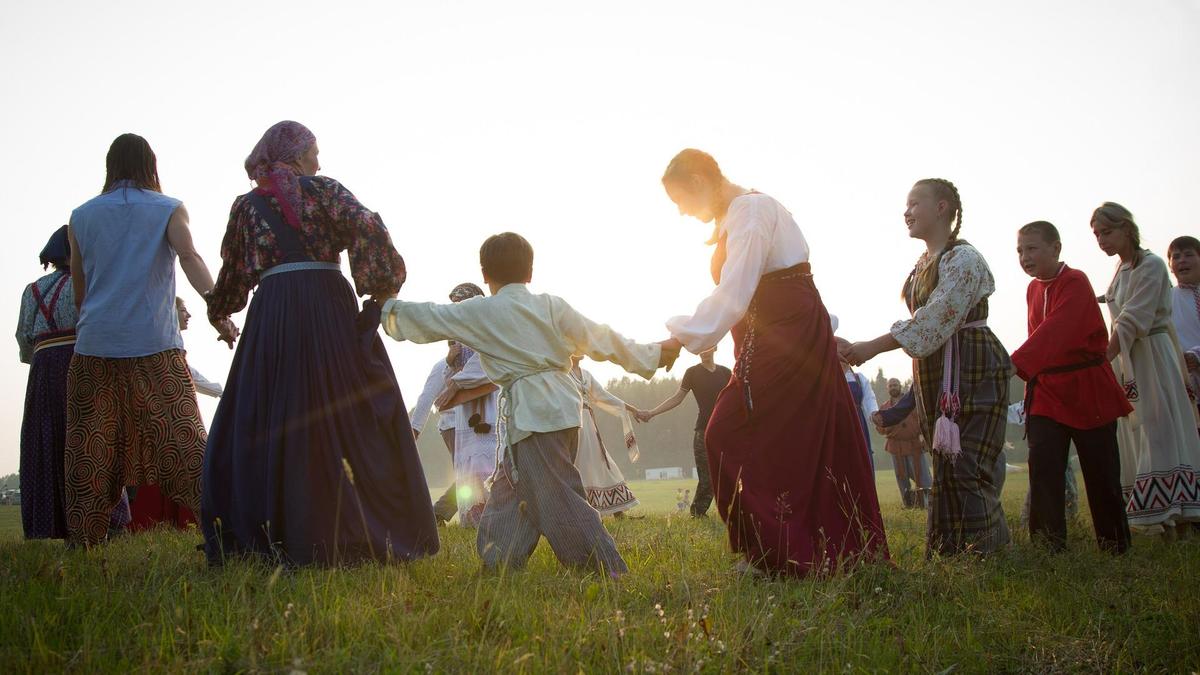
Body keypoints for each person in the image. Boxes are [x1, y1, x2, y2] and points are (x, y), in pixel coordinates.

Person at [201, 121, 438, 566]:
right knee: (343, 410)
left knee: (274, 410)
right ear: (296, 154)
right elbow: (367, 224)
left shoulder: (247, 207)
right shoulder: (326, 191)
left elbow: (234, 268)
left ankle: (277, 529)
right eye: (313, 152)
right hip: (329, 307)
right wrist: (380, 287)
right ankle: (351, 526)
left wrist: (221, 310)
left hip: (275, 314)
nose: (318, 162)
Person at [378, 232, 678, 575]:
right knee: (511, 488)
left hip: (534, 416)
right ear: (530, 273)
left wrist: (386, 309)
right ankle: (498, 562)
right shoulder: (552, 305)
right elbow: (600, 337)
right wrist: (651, 355)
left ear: (485, 276)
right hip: (558, 410)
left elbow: (432, 317)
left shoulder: (483, 311)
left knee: (557, 496)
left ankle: (605, 570)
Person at [661, 149, 888, 576]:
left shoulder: (752, 209)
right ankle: (773, 551)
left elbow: (737, 288)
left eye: (680, 200)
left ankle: (779, 551)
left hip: (785, 333)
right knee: (770, 439)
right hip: (770, 333)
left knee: (734, 433)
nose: (681, 212)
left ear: (697, 181)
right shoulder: (737, 216)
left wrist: (681, 337)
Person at [65, 134, 229, 547]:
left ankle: (85, 541)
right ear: (150, 165)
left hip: (95, 346)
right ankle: (224, 530)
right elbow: (190, 258)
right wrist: (218, 309)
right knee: (185, 443)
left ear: (110, 166)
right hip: (154, 345)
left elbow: (80, 291)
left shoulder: (81, 216)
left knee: (92, 447)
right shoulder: (168, 208)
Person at [843, 178, 1012, 557]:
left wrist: (871, 347)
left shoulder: (964, 259)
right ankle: (952, 554)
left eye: (915, 203)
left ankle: (990, 554)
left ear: (942, 207)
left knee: (969, 465)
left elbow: (934, 319)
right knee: (947, 468)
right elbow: (923, 325)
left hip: (973, 367)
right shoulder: (922, 266)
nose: (906, 212)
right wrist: (850, 347)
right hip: (938, 373)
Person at [1011, 220, 1132, 552]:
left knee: (1101, 472)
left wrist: (1013, 363)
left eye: (1032, 248)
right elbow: (1040, 336)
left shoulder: (1075, 281)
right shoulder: (1033, 289)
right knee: (1044, 468)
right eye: (1020, 251)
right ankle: (1048, 546)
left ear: (1056, 248)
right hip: (1048, 391)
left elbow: (1057, 330)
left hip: (1085, 386)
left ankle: (1115, 545)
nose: (1025, 257)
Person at [1091, 203, 1200, 537]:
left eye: (1106, 232)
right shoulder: (1121, 270)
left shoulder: (1151, 265)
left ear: (1126, 228)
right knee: (1140, 431)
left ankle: (1180, 515)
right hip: (1132, 359)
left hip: (1153, 356)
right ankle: (1163, 518)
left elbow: (1133, 319)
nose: (1101, 240)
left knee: (1161, 428)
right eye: (1096, 235)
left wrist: (1101, 360)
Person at [16, 226, 130, 539]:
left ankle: (59, 525)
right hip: (83, 362)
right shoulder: (90, 283)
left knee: (50, 442)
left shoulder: (33, 290)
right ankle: (105, 522)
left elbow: (24, 340)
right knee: (93, 440)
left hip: (43, 370)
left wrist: (41, 359)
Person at [127, 297, 219, 532]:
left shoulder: (167, 343)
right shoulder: (165, 348)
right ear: (170, 312)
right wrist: (225, 391)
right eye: (184, 310)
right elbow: (193, 377)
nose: (188, 315)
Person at [410, 283, 494, 525]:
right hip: (454, 424)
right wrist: (414, 430)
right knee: (473, 469)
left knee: (478, 468)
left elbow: (486, 369)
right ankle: (454, 513)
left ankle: (468, 513)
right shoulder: (444, 366)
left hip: (483, 415)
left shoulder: (486, 342)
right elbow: (426, 399)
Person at [641, 346, 732, 517]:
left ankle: (733, 513)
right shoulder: (692, 373)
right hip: (703, 431)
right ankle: (698, 513)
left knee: (729, 475)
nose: (704, 352)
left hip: (725, 432)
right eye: (700, 349)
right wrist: (652, 413)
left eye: (708, 347)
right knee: (707, 478)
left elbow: (736, 398)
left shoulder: (726, 373)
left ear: (716, 347)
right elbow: (677, 398)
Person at [570, 355, 641, 517]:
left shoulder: (586, 374)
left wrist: (632, 409)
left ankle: (618, 510)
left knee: (603, 461)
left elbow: (604, 395)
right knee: (578, 464)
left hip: (588, 423)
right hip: (572, 424)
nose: (581, 351)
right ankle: (582, 509)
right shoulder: (562, 373)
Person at [873, 378, 932, 509]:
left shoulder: (913, 403)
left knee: (922, 476)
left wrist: (924, 437)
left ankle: (928, 503)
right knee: (902, 478)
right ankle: (909, 504)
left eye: (895, 385)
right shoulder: (885, 408)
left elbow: (923, 420)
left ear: (900, 386)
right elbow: (880, 429)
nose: (893, 387)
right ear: (887, 389)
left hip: (914, 444)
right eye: (891, 386)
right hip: (896, 446)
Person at [1167, 235, 1200, 422]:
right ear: (1170, 266)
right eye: (1176, 257)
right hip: (1186, 390)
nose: (1182, 260)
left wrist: (1197, 355)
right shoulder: (1165, 299)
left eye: (1188, 255)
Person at [835, 337, 878, 469]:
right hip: (835, 420)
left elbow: (869, 399)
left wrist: (874, 413)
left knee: (861, 453)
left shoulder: (858, 378)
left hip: (857, 421)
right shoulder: (827, 375)